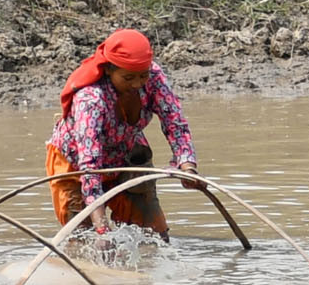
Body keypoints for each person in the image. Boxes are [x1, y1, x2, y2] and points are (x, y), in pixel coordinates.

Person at [48, 28, 197, 238]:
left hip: (126, 152)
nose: (137, 84)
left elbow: (174, 122)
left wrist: (187, 165)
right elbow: (89, 167)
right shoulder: (91, 99)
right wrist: (101, 229)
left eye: (142, 76)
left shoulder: (153, 77)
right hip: (77, 163)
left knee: (152, 235)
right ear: (109, 70)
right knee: (83, 240)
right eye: (128, 78)